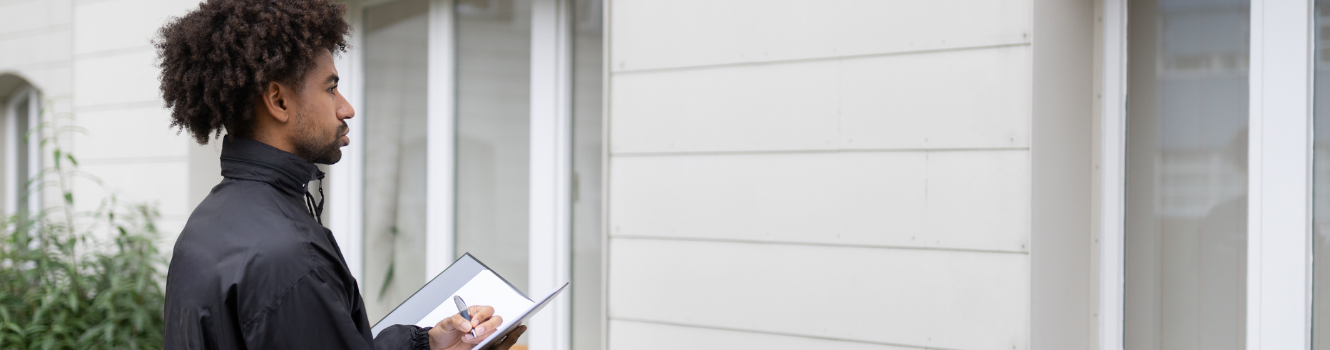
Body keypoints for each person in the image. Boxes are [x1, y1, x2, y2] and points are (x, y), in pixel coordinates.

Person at [155, 0, 525, 349]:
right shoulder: (289, 257)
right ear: (279, 101)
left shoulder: (204, 226)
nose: (346, 108)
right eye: (331, 88)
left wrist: (424, 343)